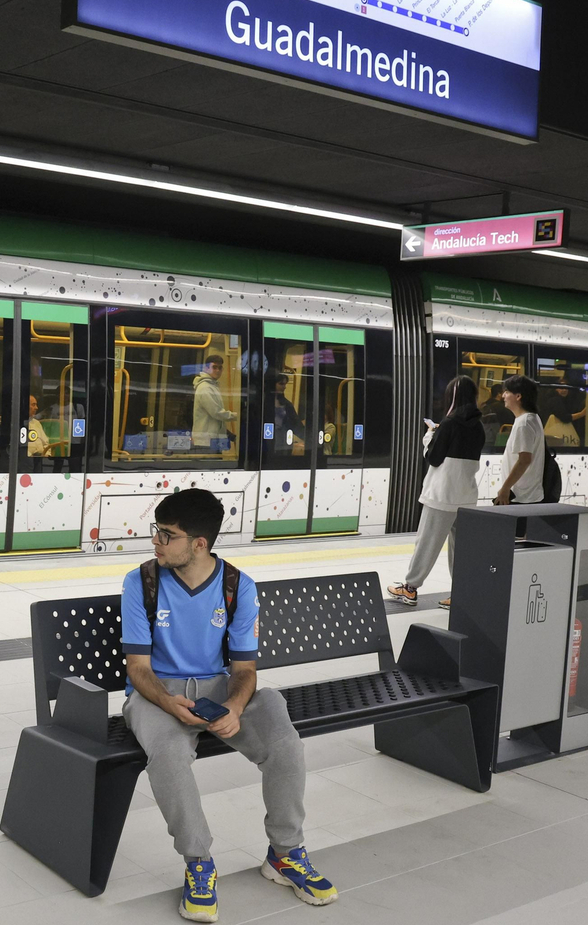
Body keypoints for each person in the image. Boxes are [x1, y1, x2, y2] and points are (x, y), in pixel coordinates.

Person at [122, 488, 336, 920]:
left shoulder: (238, 586)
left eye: (167, 534)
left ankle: (285, 853)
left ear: (198, 543)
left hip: (220, 690)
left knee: (282, 735)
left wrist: (235, 708)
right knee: (167, 754)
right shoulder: (141, 581)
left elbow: (244, 671)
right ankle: (198, 863)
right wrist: (169, 701)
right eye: (157, 531)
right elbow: (138, 669)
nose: (156, 541)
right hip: (156, 694)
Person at [389, 376, 481, 609]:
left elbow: (434, 457)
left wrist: (430, 435)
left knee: (427, 543)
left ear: (453, 397)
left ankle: (409, 588)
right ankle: (460, 594)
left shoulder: (449, 424)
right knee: (461, 549)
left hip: (441, 496)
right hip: (466, 497)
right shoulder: (478, 426)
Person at [493, 374, 544, 509]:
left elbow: (524, 460)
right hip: (525, 495)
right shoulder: (532, 418)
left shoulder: (524, 423)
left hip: (520, 496)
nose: (503, 395)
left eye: (507, 392)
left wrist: (505, 488)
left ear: (518, 396)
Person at [191, 354, 236, 454]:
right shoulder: (205, 387)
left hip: (212, 441)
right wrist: (236, 416)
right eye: (214, 367)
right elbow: (216, 412)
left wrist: (228, 434)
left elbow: (215, 420)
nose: (217, 370)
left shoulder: (212, 386)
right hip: (205, 443)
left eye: (220, 368)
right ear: (206, 368)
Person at [270, 374, 304, 451]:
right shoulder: (264, 402)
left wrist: (309, 439)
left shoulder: (287, 404)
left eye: (285, 384)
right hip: (268, 440)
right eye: (281, 384)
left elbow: (296, 424)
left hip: (283, 441)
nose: (284, 387)